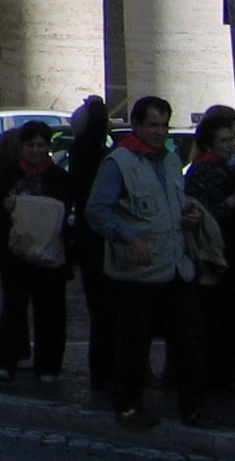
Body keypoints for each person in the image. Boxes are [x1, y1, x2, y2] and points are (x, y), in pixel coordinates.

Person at [84, 93, 210, 429]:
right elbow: (97, 210)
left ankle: (192, 406)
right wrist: (128, 236)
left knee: (189, 338)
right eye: (152, 125)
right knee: (134, 343)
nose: (159, 132)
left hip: (174, 265)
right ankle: (127, 404)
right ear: (137, 125)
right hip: (137, 272)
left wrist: (189, 217)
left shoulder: (170, 160)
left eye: (164, 125)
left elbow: (171, 202)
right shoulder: (119, 162)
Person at [0, 122, 75, 385]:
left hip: (50, 254)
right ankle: (6, 362)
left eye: (41, 145)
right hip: (16, 253)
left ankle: (49, 365)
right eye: (31, 145)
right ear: (22, 147)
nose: (36, 150)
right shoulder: (6, 175)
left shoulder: (60, 178)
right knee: (13, 309)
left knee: (51, 311)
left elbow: (66, 210)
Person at [184, 108, 235, 391]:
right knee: (213, 320)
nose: (230, 145)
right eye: (224, 140)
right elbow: (207, 216)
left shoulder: (224, 168)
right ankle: (211, 377)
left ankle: (223, 373)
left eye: (232, 139)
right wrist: (233, 200)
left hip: (228, 255)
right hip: (211, 257)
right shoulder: (205, 172)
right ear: (209, 144)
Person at [66, 94, 120, 392]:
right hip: (97, 237)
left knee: (102, 308)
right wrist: (97, 108)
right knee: (105, 308)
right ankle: (104, 370)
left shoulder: (81, 151)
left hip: (90, 236)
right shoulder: (90, 151)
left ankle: (104, 368)